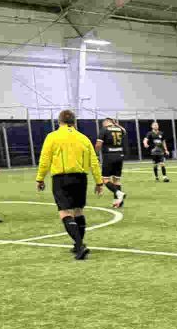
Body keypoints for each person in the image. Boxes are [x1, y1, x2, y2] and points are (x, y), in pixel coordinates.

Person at [35, 109, 104, 260]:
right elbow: (94, 162)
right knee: (78, 211)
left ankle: (80, 245)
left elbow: (45, 159)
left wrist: (40, 179)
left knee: (65, 212)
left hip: (61, 178)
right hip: (81, 178)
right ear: (74, 122)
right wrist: (99, 182)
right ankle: (78, 244)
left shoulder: (52, 137)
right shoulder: (83, 138)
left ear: (59, 121)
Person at [94, 117, 127, 209]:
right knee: (116, 180)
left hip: (109, 156)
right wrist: (116, 124)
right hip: (120, 156)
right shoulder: (120, 129)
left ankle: (119, 193)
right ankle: (118, 202)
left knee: (105, 179)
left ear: (106, 122)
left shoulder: (104, 130)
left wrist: (96, 154)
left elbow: (98, 144)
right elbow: (125, 131)